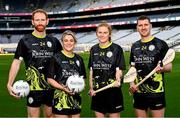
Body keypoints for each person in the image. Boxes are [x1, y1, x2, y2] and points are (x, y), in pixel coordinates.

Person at [7, 9, 62, 118]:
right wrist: (9, 83)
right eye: (37, 20)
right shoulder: (25, 41)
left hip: (52, 88)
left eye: (42, 20)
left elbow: (61, 64)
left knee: (51, 117)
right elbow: (16, 62)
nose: (40, 22)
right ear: (32, 22)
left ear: (47, 21)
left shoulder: (54, 41)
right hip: (33, 88)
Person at [129, 15, 173, 117]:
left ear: (150, 26)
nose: (143, 27)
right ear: (137, 27)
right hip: (139, 92)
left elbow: (169, 67)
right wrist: (131, 84)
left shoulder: (161, 44)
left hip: (156, 92)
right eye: (140, 25)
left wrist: (162, 68)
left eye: (146, 25)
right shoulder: (134, 46)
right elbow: (132, 68)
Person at [88, 21, 126, 118]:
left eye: (105, 32)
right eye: (100, 32)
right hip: (97, 93)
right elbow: (91, 72)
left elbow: (119, 69)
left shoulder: (117, 49)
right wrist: (91, 88)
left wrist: (118, 78)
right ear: (96, 33)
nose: (102, 35)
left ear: (109, 34)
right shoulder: (93, 49)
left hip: (113, 92)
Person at [47, 30, 86, 118]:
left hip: (76, 99)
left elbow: (83, 78)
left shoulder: (79, 59)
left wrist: (80, 86)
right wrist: (63, 88)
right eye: (66, 40)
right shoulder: (55, 58)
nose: (69, 43)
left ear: (75, 43)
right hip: (60, 99)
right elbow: (50, 79)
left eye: (71, 41)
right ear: (62, 42)